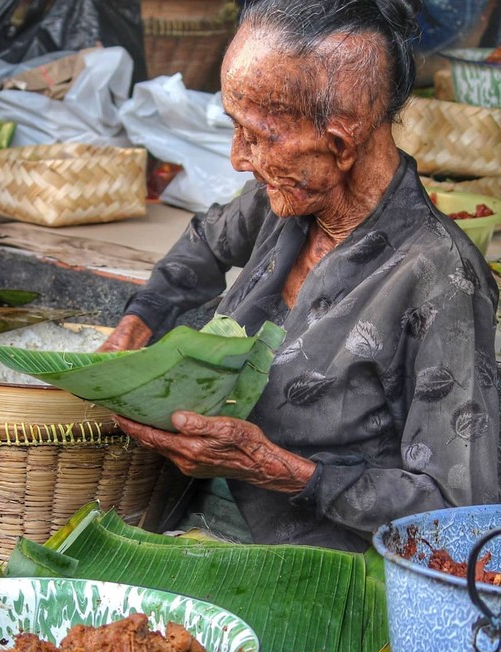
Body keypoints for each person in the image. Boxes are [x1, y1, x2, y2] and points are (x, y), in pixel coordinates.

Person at [101, 0, 500, 551]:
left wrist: (281, 470)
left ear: (339, 144)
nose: (240, 157)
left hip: (317, 570)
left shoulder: (441, 277)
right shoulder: (283, 198)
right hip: (186, 516)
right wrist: (139, 321)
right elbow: (204, 242)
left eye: (259, 136)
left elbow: (461, 513)